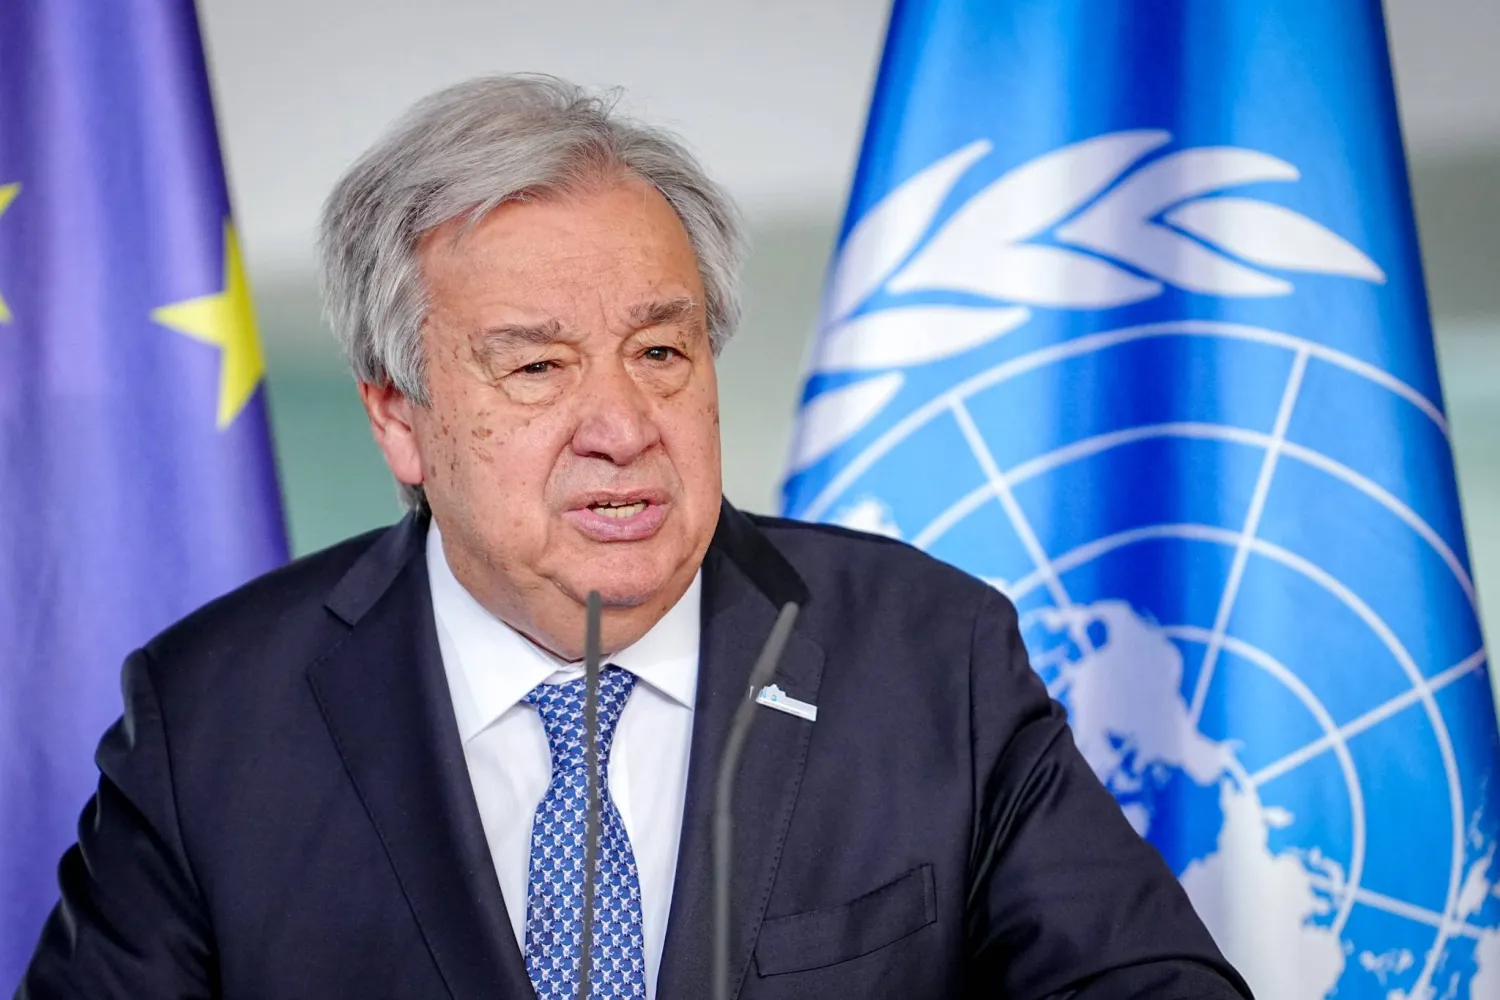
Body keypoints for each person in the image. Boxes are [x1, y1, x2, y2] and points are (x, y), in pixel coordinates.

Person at [16, 75, 1251, 1000]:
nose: (622, 423)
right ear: (401, 418)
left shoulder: (932, 658)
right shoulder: (216, 719)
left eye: (662, 352)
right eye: (538, 366)